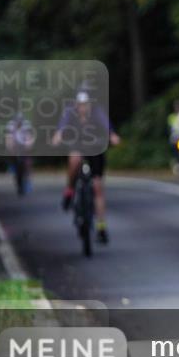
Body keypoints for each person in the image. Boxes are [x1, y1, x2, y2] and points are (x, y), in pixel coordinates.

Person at [52, 91, 121, 243]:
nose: (83, 108)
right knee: (74, 160)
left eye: (86, 104)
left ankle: (101, 227)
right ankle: (69, 190)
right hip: (78, 146)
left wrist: (112, 135)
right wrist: (58, 135)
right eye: (80, 105)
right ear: (76, 105)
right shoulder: (71, 114)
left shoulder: (97, 113)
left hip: (95, 149)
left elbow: (107, 125)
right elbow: (62, 126)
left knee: (97, 187)